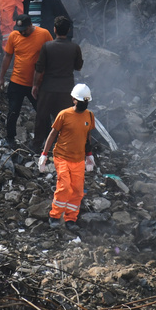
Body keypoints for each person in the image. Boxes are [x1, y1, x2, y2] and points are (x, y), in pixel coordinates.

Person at [38, 83, 95, 231]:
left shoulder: (89, 115)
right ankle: (55, 216)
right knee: (64, 187)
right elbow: (53, 134)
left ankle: (71, 218)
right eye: (82, 101)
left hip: (78, 159)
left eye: (86, 102)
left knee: (77, 189)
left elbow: (87, 136)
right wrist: (44, 154)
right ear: (74, 100)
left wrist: (89, 155)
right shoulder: (64, 114)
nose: (84, 104)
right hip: (62, 156)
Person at [0, 15, 53, 146]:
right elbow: (7, 57)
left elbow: (51, 54)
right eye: (19, 29)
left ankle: (49, 140)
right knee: (13, 111)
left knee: (42, 112)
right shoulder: (14, 36)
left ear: (30, 26)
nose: (21, 32)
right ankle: (10, 138)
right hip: (17, 82)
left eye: (24, 29)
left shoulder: (44, 34)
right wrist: (0, 78)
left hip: (37, 83)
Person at [31, 16, 83, 149]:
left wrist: (35, 85)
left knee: (42, 118)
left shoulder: (47, 46)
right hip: (66, 90)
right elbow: (78, 67)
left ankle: (37, 146)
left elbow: (39, 68)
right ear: (68, 30)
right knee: (65, 120)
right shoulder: (74, 48)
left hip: (48, 88)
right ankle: (62, 147)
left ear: (54, 30)